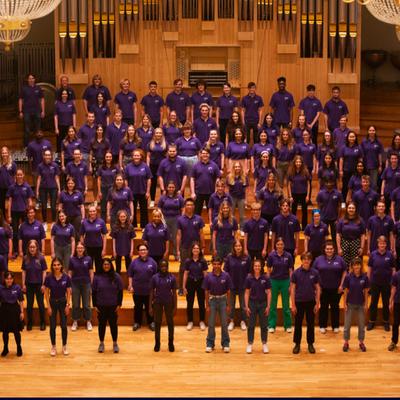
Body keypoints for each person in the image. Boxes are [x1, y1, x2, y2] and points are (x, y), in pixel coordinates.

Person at [290, 252, 321, 354]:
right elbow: (293, 289)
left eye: (308, 259)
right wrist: (293, 304)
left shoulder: (315, 273)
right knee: (298, 324)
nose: (306, 261)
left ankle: (310, 344)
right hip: (299, 302)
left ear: (311, 261)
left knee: (310, 324)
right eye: (304, 259)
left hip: (311, 302)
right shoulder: (296, 273)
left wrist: (317, 303)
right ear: (301, 260)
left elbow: (318, 288)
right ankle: (297, 344)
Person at [313, 241, 346, 333]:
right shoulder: (318, 259)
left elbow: (344, 272)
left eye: (331, 249)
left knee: (335, 307)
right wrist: (317, 287)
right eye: (327, 249)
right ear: (324, 249)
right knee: (323, 307)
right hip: (323, 289)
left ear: (334, 249)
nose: (329, 250)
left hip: (336, 289)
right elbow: (314, 273)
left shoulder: (339, 259)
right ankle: (322, 325)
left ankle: (335, 326)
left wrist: (341, 285)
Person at [92, 258, 123, 353]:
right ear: (102, 265)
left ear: (111, 265)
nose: (106, 266)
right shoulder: (97, 277)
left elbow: (120, 291)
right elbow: (93, 291)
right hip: (101, 305)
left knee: (113, 325)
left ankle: (115, 343)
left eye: (108, 264)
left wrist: (119, 303)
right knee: (102, 325)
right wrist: (95, 304)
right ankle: (101, 343)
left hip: (113, 305)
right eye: (104, 264)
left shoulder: (116, 276)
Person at [203, 256, 233, 353]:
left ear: (221, 265)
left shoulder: (226, 276)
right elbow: (206, 292)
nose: (216, 266)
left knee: (224, 324)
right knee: (211, 324)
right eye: (214, 264)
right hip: (212, 301)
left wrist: (228, 304)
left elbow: (228, 291)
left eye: (218, 264)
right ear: (212, 264)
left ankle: (225, 343)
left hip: (223, 301)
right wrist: (207, 305)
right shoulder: (208, 276)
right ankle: (210, 343)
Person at [367, 236, 396, 332]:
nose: (382, 245)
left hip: (386, 283)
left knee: (386, 303)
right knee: (373, 303)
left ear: (386, 244)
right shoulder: (373, 254)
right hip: (375, 283)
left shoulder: (390, 255)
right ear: (378, 244)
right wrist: (368, 280)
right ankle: (371, 321)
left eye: (384, 243)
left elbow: (393, 269)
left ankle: (386, 322)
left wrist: (393, 281)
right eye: (380, 243)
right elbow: (369, 268)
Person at [177, 198, 205, 294]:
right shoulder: (180, 219)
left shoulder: (199, 218)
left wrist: (203, 247)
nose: (189, 206)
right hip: (184, 247)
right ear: (185, 207)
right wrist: (177, 249)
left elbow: (201, 233)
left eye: (191, 205)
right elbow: (178, 235)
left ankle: (200, 288)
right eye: (187, 205)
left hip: (196, 248)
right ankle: (181, 288)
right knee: (183, 268)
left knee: (199, 267)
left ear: (194, 207)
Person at [44, 258, 72, 356]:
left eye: (58, 264)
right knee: (52, 327)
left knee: (64, 326)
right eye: (54, 265)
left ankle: (64, 346)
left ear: (61, 266)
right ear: (52, 266)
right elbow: (46, 293)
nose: (56, 267)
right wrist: (48, 306)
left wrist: (68, 305)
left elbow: (68, 292)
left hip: (63, 302)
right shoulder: (48, 277)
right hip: (52, 303)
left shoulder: (66, 277)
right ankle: (53, 346)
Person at [128, 243, 157, 331]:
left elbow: (156, 276)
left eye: (144, 249)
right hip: (137, 290)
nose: (143, 251)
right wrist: (130, 286)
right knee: (137, 307)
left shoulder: (152, 262)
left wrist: (155, 288)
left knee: (150, 307)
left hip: (149, 291)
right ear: (138, 252)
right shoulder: (134, 262)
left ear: (147, 251)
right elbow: (130, 275)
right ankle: (137, 322)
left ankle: (151, 322)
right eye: (141, 250)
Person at [266, 238, 293, 333]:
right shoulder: (271, 255)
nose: (280, 246)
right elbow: (268, 269)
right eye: (278, 244)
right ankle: (271, 325)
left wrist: (291, 284)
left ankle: (288, 325)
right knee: (272, 305)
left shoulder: (288, 256)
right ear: (275, 245)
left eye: (281, 244)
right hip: (274, 281)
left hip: (285, 281)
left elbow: (290, 270)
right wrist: (268, 283)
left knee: (286, 305)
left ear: (284, 245)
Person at [149, 259, 177, 352]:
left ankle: (170, 343)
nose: (164, 268)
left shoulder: (172, 277)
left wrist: (175, 307)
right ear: (159, 267)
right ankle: (157, 343)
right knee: (157, 323)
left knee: (170, 322)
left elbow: (174, 293)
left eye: (165, 266)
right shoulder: (154, 277)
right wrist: (150, 306)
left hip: (169, 302)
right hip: (158, 302)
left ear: (167, 267)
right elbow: (152, 292)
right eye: (162, 266)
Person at [245, 259, 272, 354]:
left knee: (264, 325)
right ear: (253, 267)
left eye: (259, 266)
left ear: (261, 267)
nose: (257, 267)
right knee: (251, 325)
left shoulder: (266, 278)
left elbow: (269, 293)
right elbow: (247, 293)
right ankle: (250, 343)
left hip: (263, 303)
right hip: (252, 304)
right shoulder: (249, 278)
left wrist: (268, 306)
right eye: (255, 266)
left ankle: (264, 343)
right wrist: (246, 306)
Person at [342, 257, 369, 352]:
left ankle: (361, 342)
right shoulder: (348, 277)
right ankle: (346, 342)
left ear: (361, 266)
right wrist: (344, 303)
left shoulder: (365, 277)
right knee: (347, 325)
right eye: (355, 265)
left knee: (361, 325)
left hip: (361, 304)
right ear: (352, 266)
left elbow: (366, 291)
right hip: (350, 304)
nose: (356, 266)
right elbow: (345, 291)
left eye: (358, 264)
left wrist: (366, 304)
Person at [224, 240, 251, 332]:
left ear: (242, 247)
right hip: (231, 286)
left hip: (243, 285)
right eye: (236, 246)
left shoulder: (246, 257)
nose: (238, 247)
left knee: (243, 305)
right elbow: (226, 271)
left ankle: (243, 321)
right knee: (231, 305)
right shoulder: (229, 257)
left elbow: (249, 272)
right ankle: (231, 321)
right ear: (233, 247)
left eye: (239, 246)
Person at [6, 169, 34, 255]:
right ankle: (15, 251)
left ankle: (26, 250)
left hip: (25, 212)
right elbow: (9, 202)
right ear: (15, 176)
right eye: (18, 175)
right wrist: (9, 215)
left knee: (26, 231)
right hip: (14, 212)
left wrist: (30, 207)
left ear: (23, 175)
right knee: (15, 232)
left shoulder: (27, 187)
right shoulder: (11, 187)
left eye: (21, 174)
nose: (19, 176)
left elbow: (30, 200)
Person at [21, 240, 47, 331]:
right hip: (29, 285)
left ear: (37, 248)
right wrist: (23, 284)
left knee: (41, 304)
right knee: (29, 305)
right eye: (30, 247)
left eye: (34, 247)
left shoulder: (41, 258)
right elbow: (24, 272)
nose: (32, 249)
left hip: (39, 284)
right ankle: (30, 322)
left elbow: (44, 272)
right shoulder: (25, 258)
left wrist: (44, 284)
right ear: (28, 248)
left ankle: (42, 322)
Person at [68, 241, 93, 331]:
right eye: (78, 248)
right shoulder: (72, 259)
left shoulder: (88, 259)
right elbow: (70, 273)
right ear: (76, 249)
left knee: (86, 304)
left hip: (86, 284)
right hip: (75, 284)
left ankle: (88, 321)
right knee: (75, 304)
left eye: (81, 248)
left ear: (84, 249)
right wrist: (69, 285)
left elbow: (91, 272)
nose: (80, 249)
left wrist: (91, 284)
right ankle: (75, 321)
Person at [182, 243, 208, 331]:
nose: (196, 250)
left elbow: (205, 275)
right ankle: (190, 321)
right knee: (190, 303)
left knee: (201, 303)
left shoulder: (203, 261)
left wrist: (206, 287)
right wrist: (183, 286)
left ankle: (202, 321)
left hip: (200, 283)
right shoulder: (188, 261)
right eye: (194, 248)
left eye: (197, 248)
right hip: (190, 283)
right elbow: (185, 274)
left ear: (200, 250)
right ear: (192, 250)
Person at [125, 149, 152, 229]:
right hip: (132, 192)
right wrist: (127, 191)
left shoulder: (145, 166)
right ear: (132, 157)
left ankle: (144, 226)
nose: (136, 157)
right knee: (131, 210)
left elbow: (149, 179)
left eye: (138, 155)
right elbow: (126, 179)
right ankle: (133, 226)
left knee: (144, 210)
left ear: (141, 156)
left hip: (143, 191)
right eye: (135, 155)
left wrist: (148, 191)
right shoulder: (128, 166)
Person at [157, 181, 184, 261]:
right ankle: (165, 255)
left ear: (175, 188)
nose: (171, 189)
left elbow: (183, 209)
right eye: (169, 187)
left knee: (176, 238)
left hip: (176, 219)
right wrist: (161, 218)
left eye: (172, 187)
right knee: (165, 238)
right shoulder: (163, 197)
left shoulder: (179, 197)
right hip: (165, 219)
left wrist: (181, 218)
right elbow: (159, 208)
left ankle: (177, 254)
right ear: (167, 188)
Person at [0, 272, 24, 357]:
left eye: (10, 278)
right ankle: (5, 348)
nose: (9, 280)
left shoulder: (17, 287)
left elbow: (21, 300)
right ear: (4, 279)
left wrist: (22, 312)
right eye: (7, 278)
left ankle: (19, 347)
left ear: (13, 279)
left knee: (16, 331)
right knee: (5, 332)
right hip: (4, 310)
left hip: (15, 310)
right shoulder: (1, 288)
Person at [190, 148, 220, 215]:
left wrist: (216, 191)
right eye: (203, 153)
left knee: (212, 213)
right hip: (198, 193)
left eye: (206, 153)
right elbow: (192, 179)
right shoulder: (196, 166)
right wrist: (192, 192)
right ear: (200, 155)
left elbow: (218, 179)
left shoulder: (214, 165)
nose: (205, 155)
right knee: (196, 213)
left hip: (211, 193)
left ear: (209, 154)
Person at [36, 149, 60, 231]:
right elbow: (39, 178)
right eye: (46, 155)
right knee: (43, 207)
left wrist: (59, 189)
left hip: (53, 188)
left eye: (49, 155)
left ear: (51, 156)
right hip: (43, 188)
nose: (47, 156)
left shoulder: (55, 165)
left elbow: (57, 177)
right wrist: (37, 190)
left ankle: (53, 222)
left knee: (53, 207)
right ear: (43, 156)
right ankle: (45, 222)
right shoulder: (40, 166)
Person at [18, 73, 45, 147]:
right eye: (30, 78)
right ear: (27, 80)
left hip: (37, 111)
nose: (31, 80)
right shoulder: (24, 88)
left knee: (38, 130)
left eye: (32, 78)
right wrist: (20, 111)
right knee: (27, 130)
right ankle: (26, 146)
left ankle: (38, 145)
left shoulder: (38, 88)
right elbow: (20, 100)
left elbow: (42, 99)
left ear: (34, 79)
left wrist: (43, 111)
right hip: (27, 112)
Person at [336, 202, 366, 267]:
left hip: (356, 243)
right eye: (349, 208)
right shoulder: (341, 220)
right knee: (344, 263)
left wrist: (362, 247)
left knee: (355, 264)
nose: (351, 209)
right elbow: (338, 234)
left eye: (353, 208)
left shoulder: (360, 220)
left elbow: (363, 235)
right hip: (344, 243)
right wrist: (339, 248)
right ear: (347, 209)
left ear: (355, 209)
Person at [80, 204, 107, 273]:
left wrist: (104, 249)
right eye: (90, 211)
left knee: (99, 266)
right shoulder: (84, 222)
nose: (92, 213)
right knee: (89, 266)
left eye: (94, 211)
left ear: (96, 212)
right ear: (88, 212)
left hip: (99, 247)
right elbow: (81, 235)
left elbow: (104, 236)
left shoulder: (101, 222)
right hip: (88, 248)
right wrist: (82, 247)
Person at [287, 155, 311, 230]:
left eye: (299, 162)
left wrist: (308, 196)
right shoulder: (291, 172)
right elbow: (288, 185)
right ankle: (294, 226)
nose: (298, 163)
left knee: (305, 211)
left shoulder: (305, 171)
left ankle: (304, 227)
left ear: (302, 163)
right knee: (293, 211)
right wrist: (290, 196)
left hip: (303, 194)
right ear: (294, 163)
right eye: (297, 162)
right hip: (294, 194)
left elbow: (308, 184)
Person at [58, 177, 85, 243]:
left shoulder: (78, 193)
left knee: (77, 234)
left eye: (72, 183)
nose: (70, 185)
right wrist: (60, 212)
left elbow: (82, 206)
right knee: (67, 234)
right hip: (66, 217)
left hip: (76, 216)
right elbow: (60, 206)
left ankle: (77, 250)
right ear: (67, 184)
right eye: (69, 183)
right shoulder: (62, 193)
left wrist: (83, 218)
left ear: (74, 184)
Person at [339, 131, 363, 203]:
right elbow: (341, 159)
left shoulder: (358, 148)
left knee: (355, 187)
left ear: (355, 138)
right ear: (347, 138)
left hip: (356, 172)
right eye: (350, 137)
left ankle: (354, 202)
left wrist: (360, 170)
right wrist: (340, 170)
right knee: (345, 187)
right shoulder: (344, 147)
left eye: (353, 137)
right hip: (346, 171)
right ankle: (343, 203)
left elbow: (360, 160)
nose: (351, 138)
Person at [317, 178, 342, 243]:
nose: (329, 184)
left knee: (335, 236)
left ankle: (335, 250)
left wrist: (338, 218)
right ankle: (322, 250)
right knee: (322, 236)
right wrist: (319, 217)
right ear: (325, 183)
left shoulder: (338, 193)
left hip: (334, 219)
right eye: (327, 182)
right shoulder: (320, 193)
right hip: (323, 218)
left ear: (333, 183)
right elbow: (318, 206)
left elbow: (340, 206)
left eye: (330, 182)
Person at [147, 128, 167, 207]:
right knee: (153, 183)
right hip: (153, 165)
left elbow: (167, 156)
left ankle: (163, 199)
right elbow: (148, 156)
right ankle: (152, 200)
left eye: (160, 133)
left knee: (163, 183)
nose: (158, 134)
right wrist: (148, 166)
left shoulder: (165, 144)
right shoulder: (150, 144)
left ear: (162, 134)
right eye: (157, 133)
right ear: (154, 134)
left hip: (162, 166)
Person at [111, 209, 136, 273]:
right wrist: (114, 251)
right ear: (118, 217)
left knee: (128, 268)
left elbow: (132, 240)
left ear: (126, 217)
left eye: (124, 216)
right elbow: (113, 240)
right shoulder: (114, 227)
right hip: (118, 249)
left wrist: (131, 250)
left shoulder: (130, 227)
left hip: (127, 249)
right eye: (121, 217)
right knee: (118, 268)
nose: (122, 218)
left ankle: (129, 282)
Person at [97, 151, 120, 221]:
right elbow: (98, 179)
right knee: (103, 207)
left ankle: (115, 224)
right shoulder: (101, 167)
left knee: (114, 206)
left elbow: (119, 177)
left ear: (112, 158)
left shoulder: (116, 167)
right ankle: (103, 224)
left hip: (113, 189)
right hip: (104, 189)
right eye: (107, 157)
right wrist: (99, 191)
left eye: (110, 157)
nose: (108, 158)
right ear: (104, 158)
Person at [226, 162, 248, 233]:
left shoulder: (244, 177)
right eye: (235, 167)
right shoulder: (229, 177)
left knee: (242, 215)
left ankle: (242, 228)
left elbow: (245, 190)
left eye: (238, 167)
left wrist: (246, 200)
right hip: (232, 197)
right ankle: (232, 228)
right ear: (233, 168)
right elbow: (227, 189)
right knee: (231, 214)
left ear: (241, 168)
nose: (237, 168)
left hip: (241, 198)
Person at [361, 125, 383, 191]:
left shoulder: (378, 142)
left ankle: (373, 199)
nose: (372, 132)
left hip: (375, 167)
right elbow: (362, 155)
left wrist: (380, 165)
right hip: (365, 166)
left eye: (373, 130)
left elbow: (379, 154)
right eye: (370, 130)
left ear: (375, 132)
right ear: (368, 132)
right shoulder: (364, 142)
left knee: (374, 184)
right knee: (365, 184)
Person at [54, 89, 77, 153]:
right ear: (61, 95)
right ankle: (59, 154)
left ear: (67, 95)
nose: (64, 95)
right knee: (60, 141)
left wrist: (74, 126)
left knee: (69, 140)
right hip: (60, 125)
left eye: (65, 94)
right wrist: (56, 128)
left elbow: (74, 115)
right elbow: (55, 116)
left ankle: (69, 153)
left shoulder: (71, 103)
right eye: (63, 94)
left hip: (69, 126)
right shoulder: (57, 103)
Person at [0, 147, 16, 217]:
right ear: (1, 154)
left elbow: (15, 176)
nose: (4, 154)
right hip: (1, 188)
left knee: (12, 205)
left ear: (8, 153)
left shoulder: (13, 164)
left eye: (5, 153)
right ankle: (3, 221)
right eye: (3, 153)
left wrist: (15, 186)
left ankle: (12, 221)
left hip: (10, 188)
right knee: (1, 205)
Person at [388, 268, 400, 351]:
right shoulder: (396, 274)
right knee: (395, 323)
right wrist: (391, 301)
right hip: (398, 302)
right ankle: (394, 342)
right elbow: (393, 288)